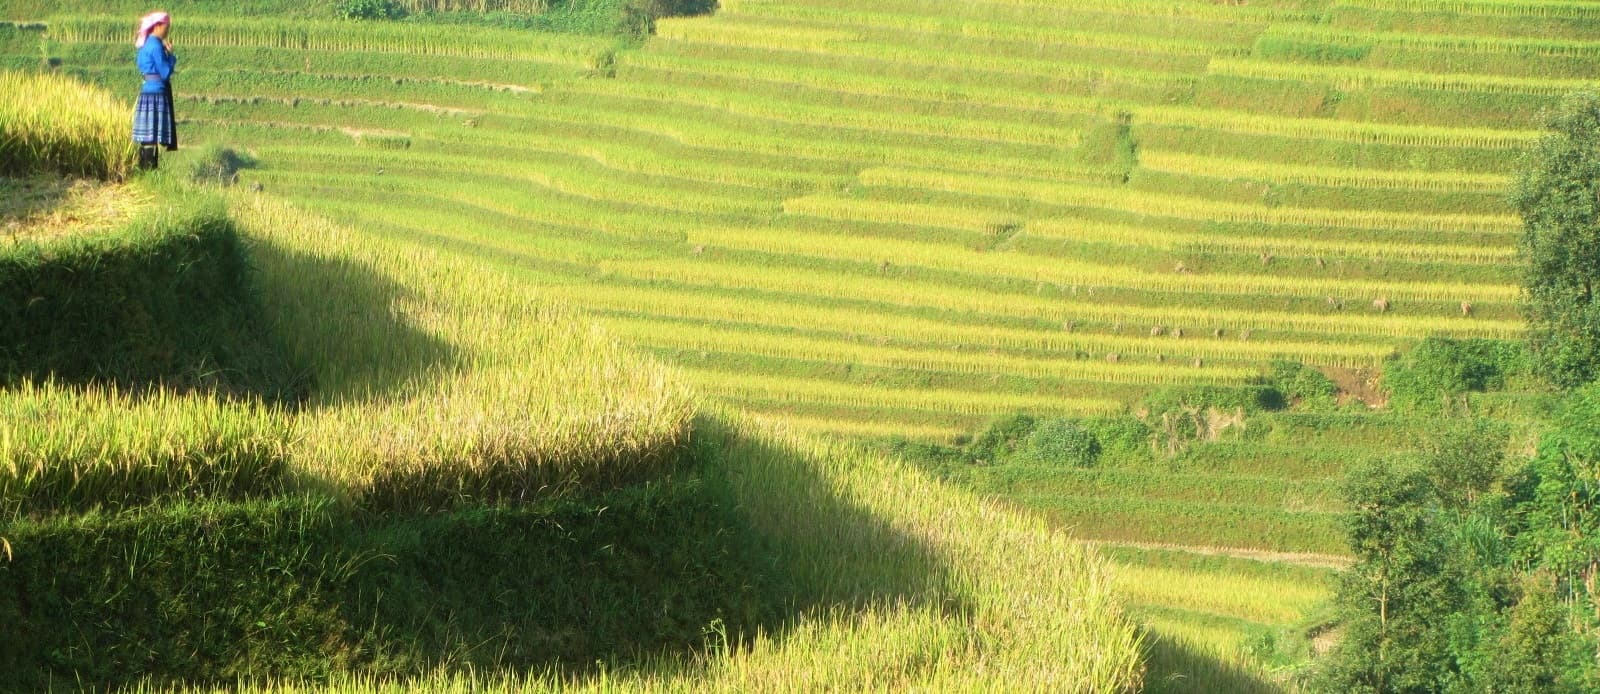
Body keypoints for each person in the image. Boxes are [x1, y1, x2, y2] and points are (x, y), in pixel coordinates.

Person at [132, 11, 177, 170]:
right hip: (157, 93)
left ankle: (143, 168)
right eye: (166, 27)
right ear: (157, 26)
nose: (167, 31)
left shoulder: (145, 45)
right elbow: (164, 72)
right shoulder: (157, 46)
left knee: (147, 137)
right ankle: (151, 169)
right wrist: (171, 57)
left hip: (146, 91)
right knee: (154, 134)